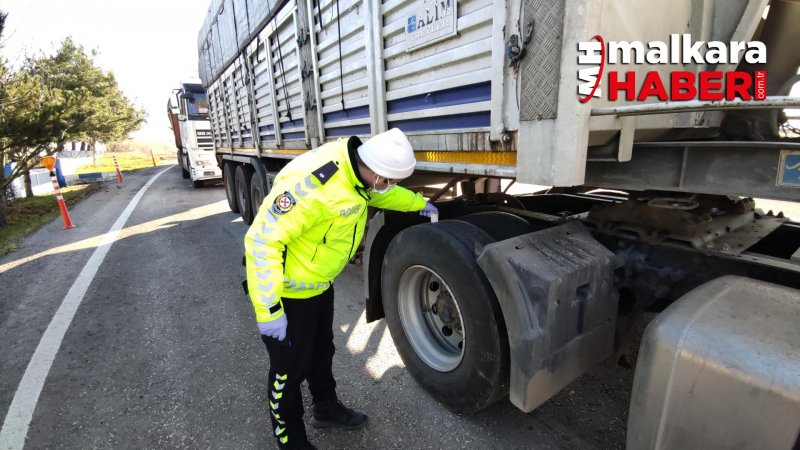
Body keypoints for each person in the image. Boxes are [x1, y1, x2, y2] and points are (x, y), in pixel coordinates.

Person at [244, 128, 439, 450]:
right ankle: (290, 439)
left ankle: (326, 407)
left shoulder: (358, 173)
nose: (389, 187)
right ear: (376, 171)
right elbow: (262, 242)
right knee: (287, 373)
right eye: (388, 179)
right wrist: (268, 311)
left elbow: (381, 194)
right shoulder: (309, 186)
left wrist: (418, 203)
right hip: (289, 296)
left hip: (320, 285)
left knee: (322, 353)